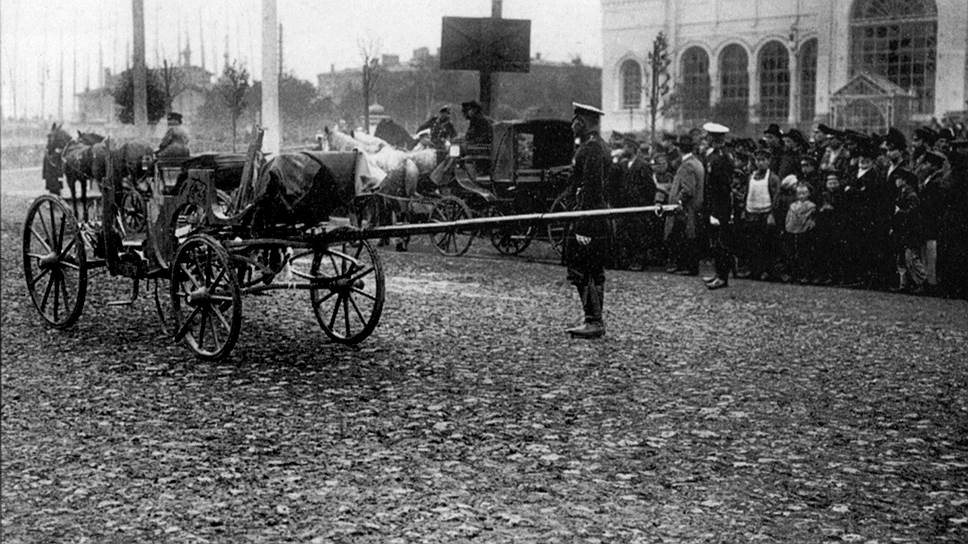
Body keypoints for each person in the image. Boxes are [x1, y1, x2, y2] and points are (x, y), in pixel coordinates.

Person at [563, 103, 611, 339]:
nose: (572, 125)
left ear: (581, 122)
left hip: (588, 219)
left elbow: (591, 189)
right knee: (594, 270)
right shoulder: (600, 145)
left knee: (581, 269)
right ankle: (594, 319)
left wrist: (583, 225)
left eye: (575, 120)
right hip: (597, 216)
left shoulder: (591, 149)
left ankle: (593, 320)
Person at [665, 133, 705, 276]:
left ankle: (688, 267)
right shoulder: (697, 162)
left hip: (687, 208)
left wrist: (679, 201)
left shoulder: (687, 165)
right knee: (690, 236)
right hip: (695, 207)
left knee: (686, 237)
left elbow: (688, 189)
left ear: (680, 149)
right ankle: (689, 267)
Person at [701, 122, 734, 290]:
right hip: (714, 205)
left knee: (722, 242)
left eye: (708, 136)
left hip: (720, 206)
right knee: (715, 242)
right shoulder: (714, 155)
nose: (706, 138)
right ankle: (718, 274)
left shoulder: (721, 157)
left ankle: (722, 277)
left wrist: (715, 210)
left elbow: (722, 186)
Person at [741, 147, 780, 281]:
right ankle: (754, 270)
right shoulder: (750, 177)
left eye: (763, 160)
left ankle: (767, 271)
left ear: (768, 161)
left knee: (766, 244)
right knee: (752, 244)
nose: (760, 163)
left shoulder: (773, 178)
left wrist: (772, 214)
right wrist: (744, 211)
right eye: (758, 160)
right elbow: (747, 194)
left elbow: (776, 197)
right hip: (752, 214)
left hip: (766, 214)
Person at [784, 183, 817, 284]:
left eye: (804, 193)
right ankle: (793, 274)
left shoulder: (811, 206)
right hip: (793, 230)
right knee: (792, 252)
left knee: (804, 253)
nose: (802, 196)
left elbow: (812, 220)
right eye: (799, 193)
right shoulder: (793, 205)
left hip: (804, 231)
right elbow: (788, 218)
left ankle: (805, 275)